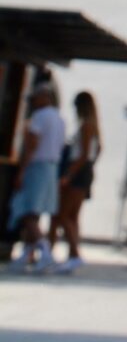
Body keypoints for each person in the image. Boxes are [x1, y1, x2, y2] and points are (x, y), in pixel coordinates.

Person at [8, 73, 66, 270]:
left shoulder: (39, 117)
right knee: (35, 211)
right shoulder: (59, 119)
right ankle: (28, 253)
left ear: (45, 97)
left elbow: (32, 145)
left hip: (37, 166)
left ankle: (44, 250)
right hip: (51, 168)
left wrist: (22, 171)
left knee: (26, 210)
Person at [53, 90, 101, 272]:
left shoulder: (86, 126)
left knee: (63, 214)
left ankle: (74, 253)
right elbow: (97, 150)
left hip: (78, 171)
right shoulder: (93, 126)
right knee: (72, 216)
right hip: (85, 170)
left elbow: (82, 154)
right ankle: (73, 253)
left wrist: (69, 174)